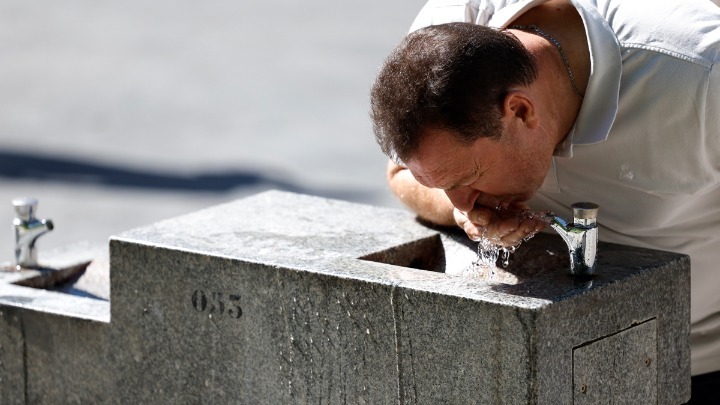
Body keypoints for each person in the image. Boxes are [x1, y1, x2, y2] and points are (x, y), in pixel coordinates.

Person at [369, 0, 720, 402]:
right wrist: (461, 213)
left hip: (698, 363)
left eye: (467, 179)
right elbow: (399, 173)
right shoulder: (443, 38)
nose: (462, 200)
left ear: (520, 111)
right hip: (554, 361)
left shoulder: (703, 73)